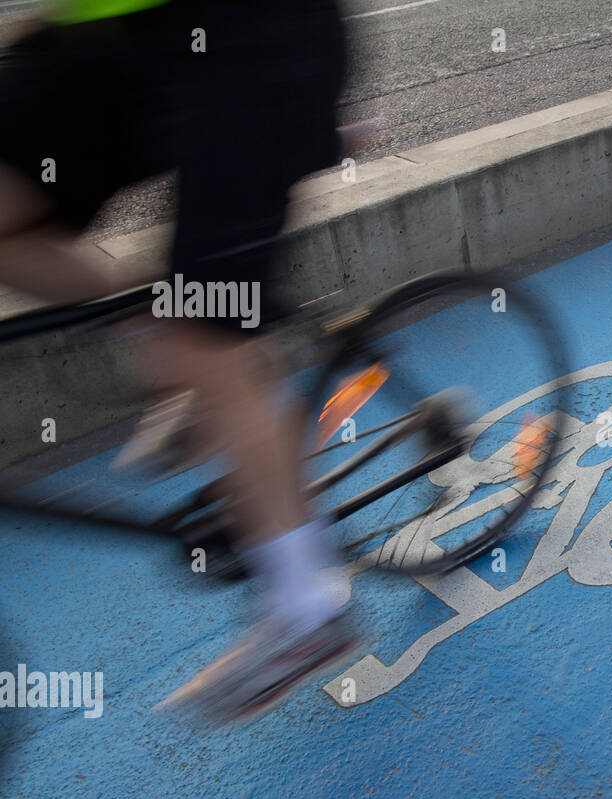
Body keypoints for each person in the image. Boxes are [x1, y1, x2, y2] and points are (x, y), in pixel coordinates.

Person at [0, 0, 361, 725]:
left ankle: (306, 607)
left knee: (200, 332)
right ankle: (163, 328)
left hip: (246, 32)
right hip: (111, 33)